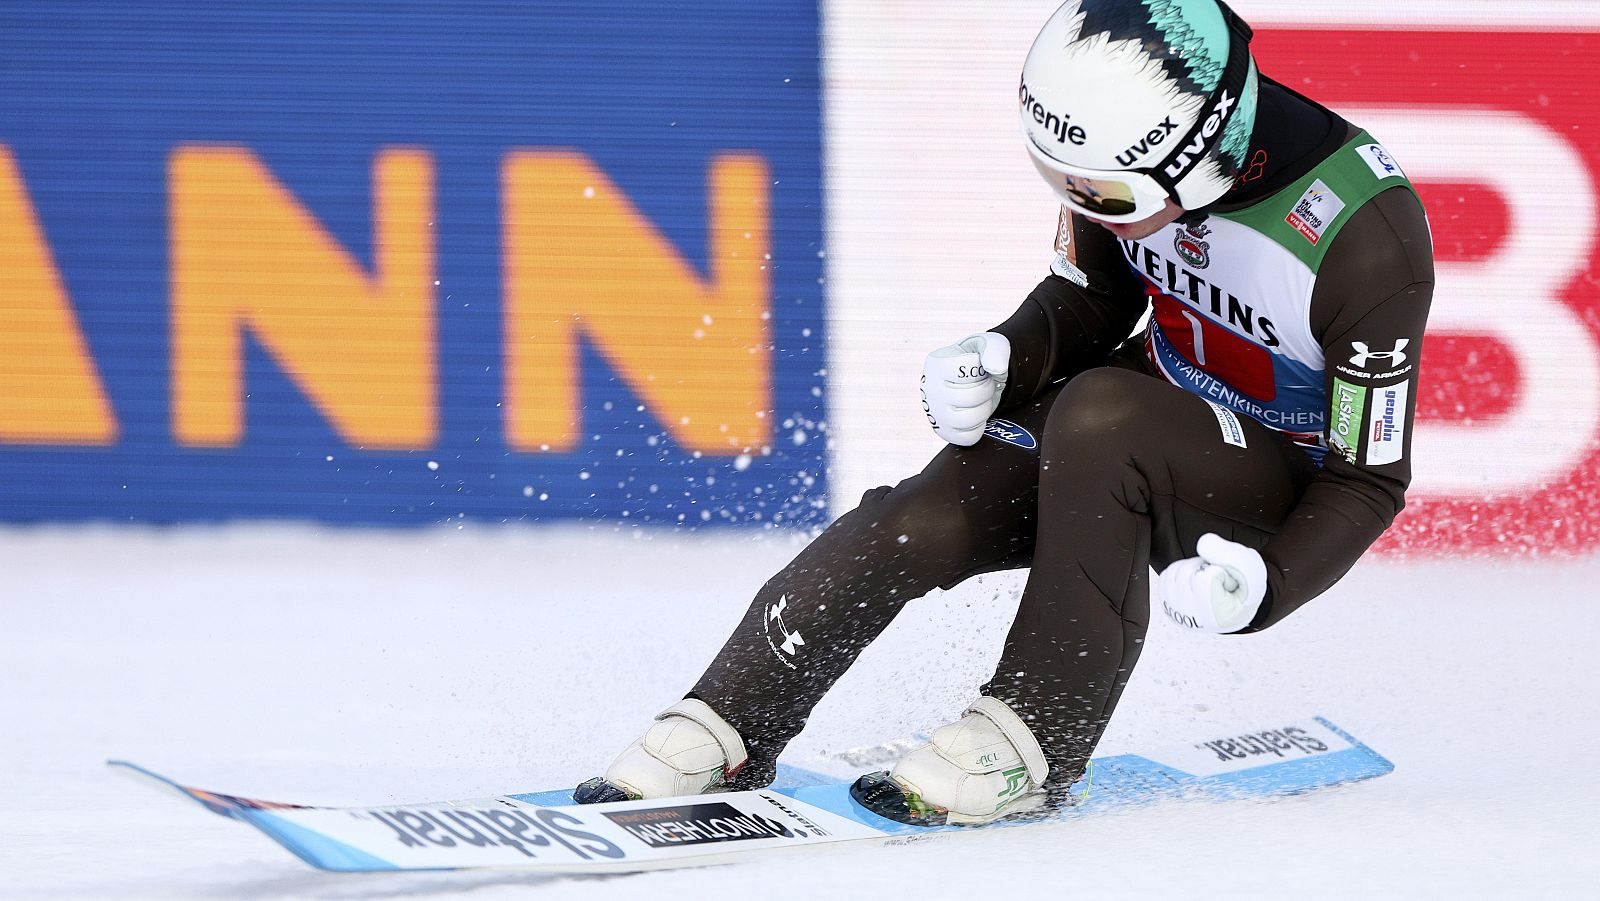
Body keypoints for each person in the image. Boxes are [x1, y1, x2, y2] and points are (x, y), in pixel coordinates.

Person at [575, 0, 1434, 825]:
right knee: (926, 510)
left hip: (1268, 481)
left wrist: (1272, 583)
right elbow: (1093, 297)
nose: (1084, 202)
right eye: (1064, 181)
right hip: (1134, 416)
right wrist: (1003, 355)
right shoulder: (1135, 155)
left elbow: (1368, 477)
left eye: (1102, 193)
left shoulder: (1365, 238)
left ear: (1202, 159)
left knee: (1102, 411)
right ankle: (728, 720)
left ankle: (1037, 735)